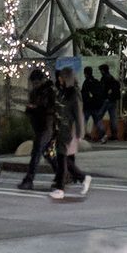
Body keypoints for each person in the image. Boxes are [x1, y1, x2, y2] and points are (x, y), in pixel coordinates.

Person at [49, 66, 90, 200]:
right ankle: (83, 178)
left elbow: (78, 113)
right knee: (64, 158)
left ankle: (60, 189)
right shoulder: (63, 92)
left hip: (69, 130)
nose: (59, 79)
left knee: (62, 158)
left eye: (61, 77)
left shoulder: (73, 93)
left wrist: (80, 132)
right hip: (62, 129)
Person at [18, 66, 56, 190]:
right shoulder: (35, 92)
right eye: (33, 82)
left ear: (41, 80)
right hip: (39, 125)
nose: (34, 85)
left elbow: (48, 107)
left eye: (36, 82)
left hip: (47, 125)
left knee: (37, 152)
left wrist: (34, 108)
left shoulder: (49, 91)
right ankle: (63, 174)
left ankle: (29, 179)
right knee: (46, 153)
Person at [82, 63, 109, 143]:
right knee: (98, 121)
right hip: (96, 106)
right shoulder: (96, 81)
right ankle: (103, 136)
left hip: (87, 106)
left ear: (85, 73)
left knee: (83, 121)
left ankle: (81, 136)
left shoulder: (86, 83)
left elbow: (84, 94)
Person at [98, 63, 126, 141]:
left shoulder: (104, 78)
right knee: (113, 118)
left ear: (103, 70)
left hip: (106, 100)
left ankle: (103, 134)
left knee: (98, 116)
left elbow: (102, 90)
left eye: (101, 70)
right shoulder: (112, 78)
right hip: (113, 101)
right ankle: (114, 135)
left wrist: (102, 98)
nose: (100, 72)